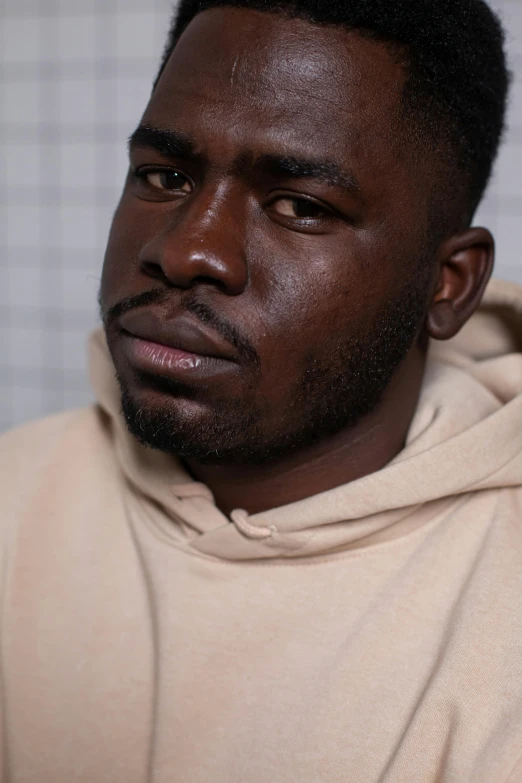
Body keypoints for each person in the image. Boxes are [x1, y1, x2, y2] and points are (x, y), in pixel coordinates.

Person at [1, 0, 521, 780]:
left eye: (300, 207)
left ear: (446, 286)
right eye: (165, 175)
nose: (187, 251)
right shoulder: (14, 488)